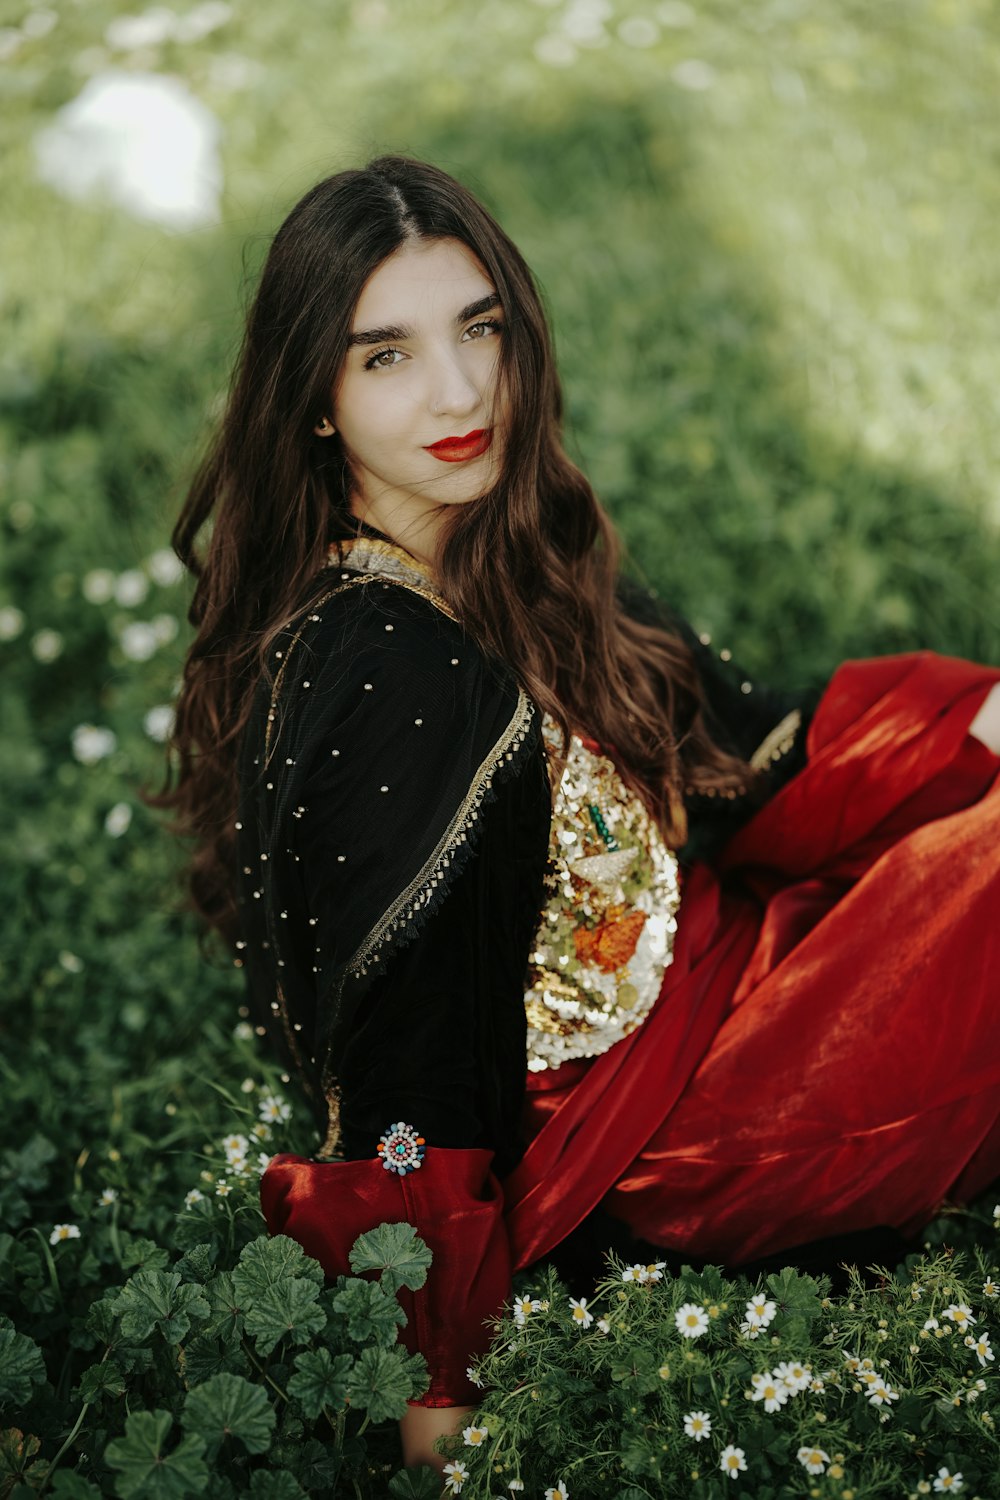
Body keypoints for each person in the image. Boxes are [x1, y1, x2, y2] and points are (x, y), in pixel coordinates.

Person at [166, 155, 1000, 1470]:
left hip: (745, 954)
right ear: (312, 401)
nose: (458, 391)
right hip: (682, 1126)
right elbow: (408, 1073)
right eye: (385, 356)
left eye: (478, 328)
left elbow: (733, 752)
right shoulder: (396, 677)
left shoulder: (501, 530)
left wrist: (967, 730)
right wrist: (431, 1384)